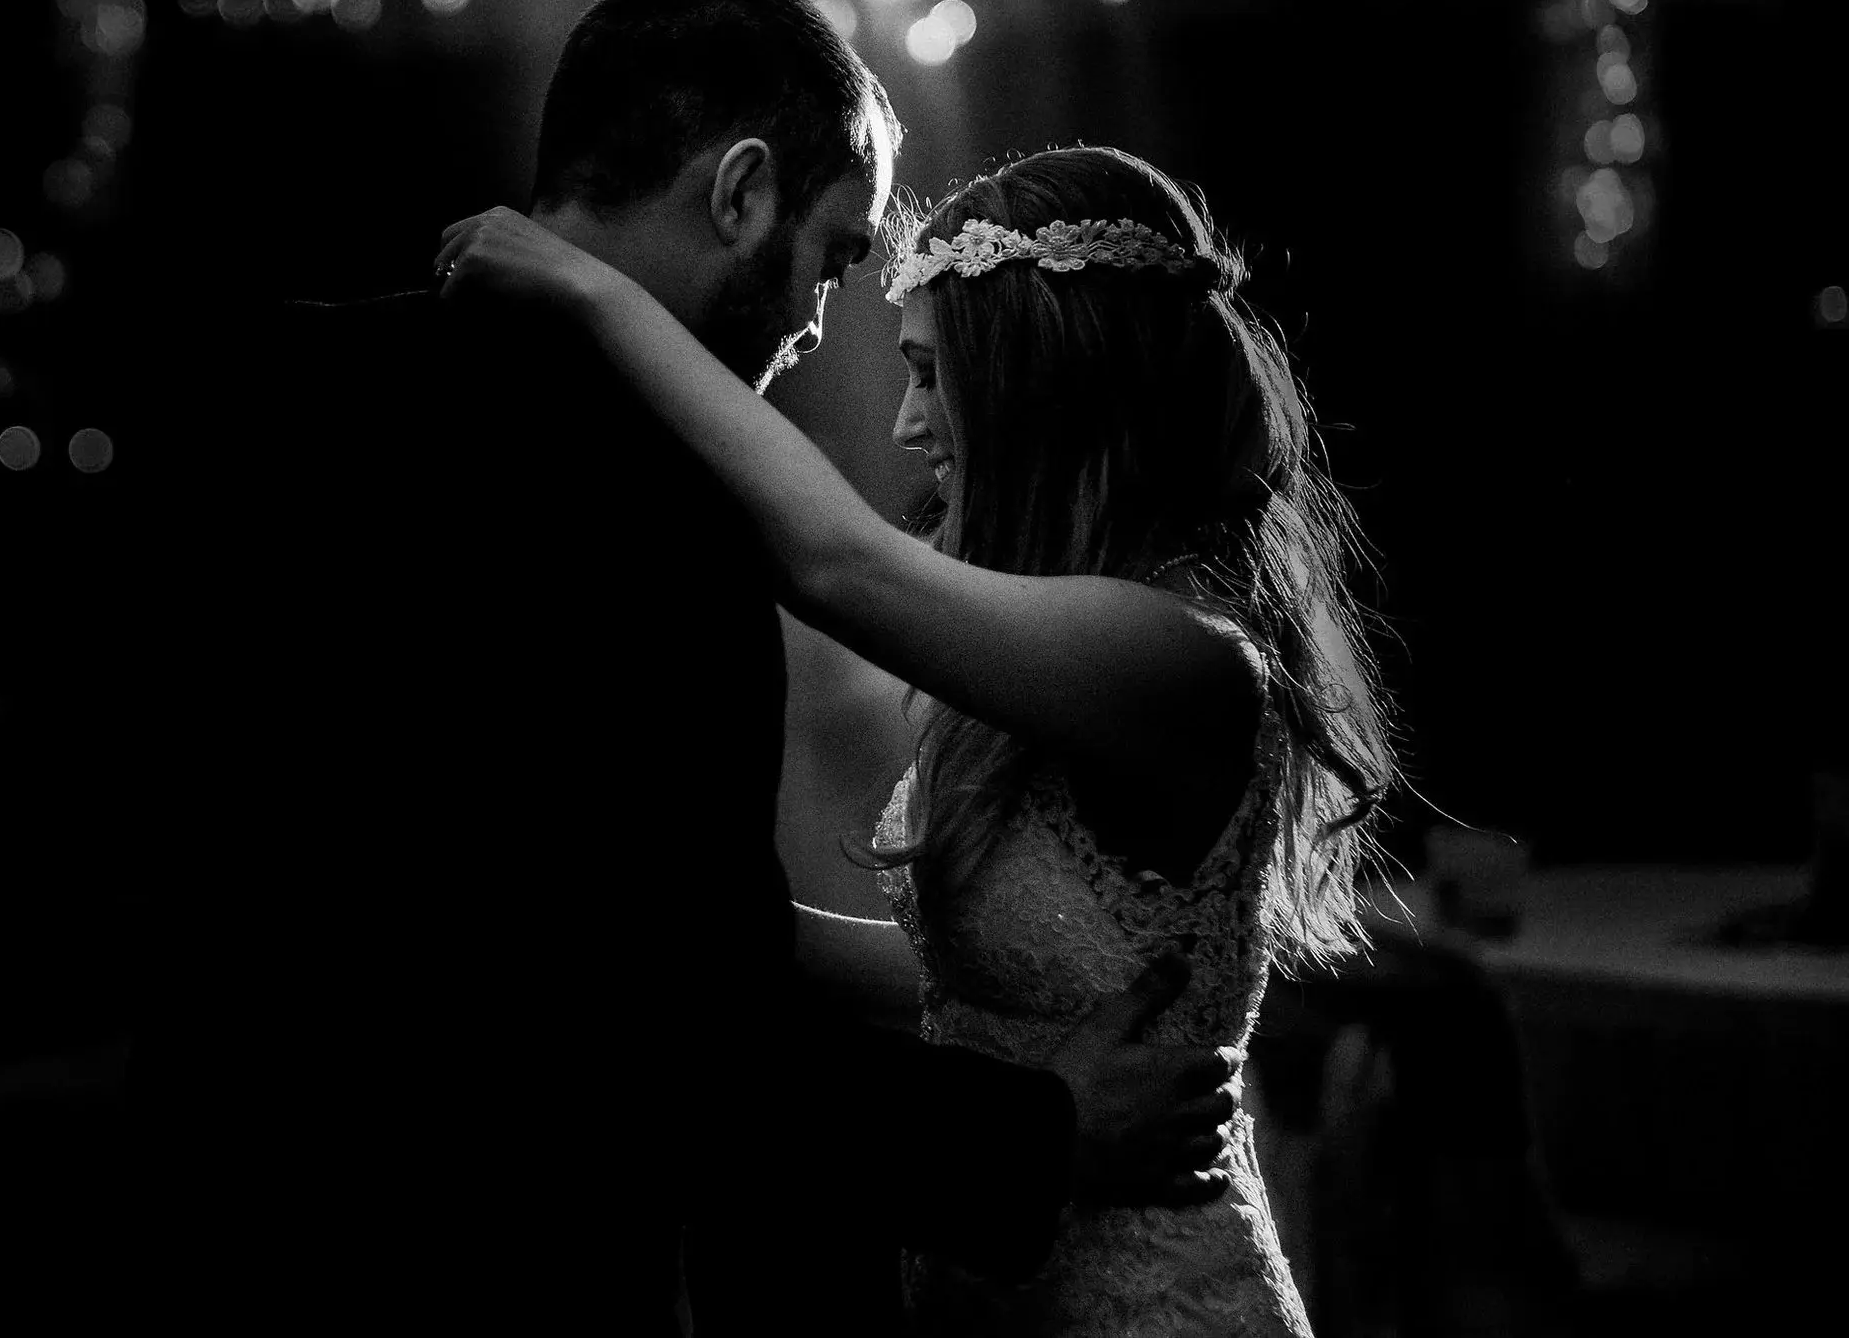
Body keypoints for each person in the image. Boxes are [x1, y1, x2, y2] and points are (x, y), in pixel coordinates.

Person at [264, 0, 1238, 1335]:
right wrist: (1032, 1129)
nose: (822, 331)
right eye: (837, 258)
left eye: (921, 367)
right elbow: (659, 1020)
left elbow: (628, 936)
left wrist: (594, 295)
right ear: (738, 193)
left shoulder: (281, 397)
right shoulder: (669, 510)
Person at [435, 141, 1402, 1334]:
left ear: (1037, 385)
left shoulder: (1181, 658)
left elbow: (833, 562)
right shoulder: (1075, 645)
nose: (903, 422)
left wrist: (595, 293)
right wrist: (651, 927)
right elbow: (970, 970)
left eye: (931, 374)